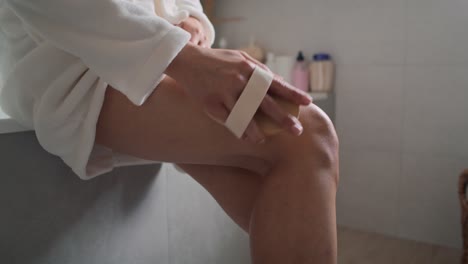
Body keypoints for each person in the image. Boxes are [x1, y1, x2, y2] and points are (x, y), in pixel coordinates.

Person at [0, 0, 339, 263]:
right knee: (305, 135)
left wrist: (188, 20)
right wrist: (180, 56)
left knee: (285, 205)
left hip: (157, 57)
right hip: (80, 71)